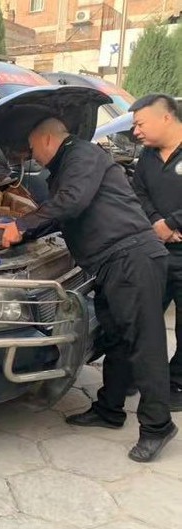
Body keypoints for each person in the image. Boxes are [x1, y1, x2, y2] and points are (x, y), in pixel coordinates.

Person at [0, 117, 177, 462]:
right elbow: (62, 213)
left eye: (33, 147)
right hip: (111, 263)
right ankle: (110, 409)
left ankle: (158, 426)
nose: (32, 154)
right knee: (117, 339)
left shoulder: (82, 154)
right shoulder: (68, 165)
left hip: (131, 258)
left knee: (145, 344)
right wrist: (23, 231)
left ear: (47, 140)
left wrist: (23, 223)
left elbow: (72, 202)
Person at [130, 94, 182, 411]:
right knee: (144, 315)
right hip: (157, 249)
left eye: (140, 124)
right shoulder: (147, 157)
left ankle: (176, 383)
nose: (136, 131)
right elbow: (138, 193)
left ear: (165, 117)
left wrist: (173, 223)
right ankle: (137, 375)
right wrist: (156, 224)